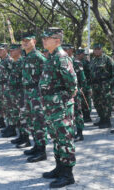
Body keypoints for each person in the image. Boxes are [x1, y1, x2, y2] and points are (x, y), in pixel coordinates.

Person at [40, 27, 77, 188]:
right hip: (51, 106)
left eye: (47, 38)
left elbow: (72, 84)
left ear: (57, 40)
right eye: (43, 38)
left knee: (64, 139)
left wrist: (61, 100)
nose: (43, 40)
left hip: (60, 107)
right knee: (55, 138)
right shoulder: (51, 57)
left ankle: (68, 175)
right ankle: (59, 168)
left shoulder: (62, 57)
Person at [20, 33, 48, 162]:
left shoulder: (38, 56)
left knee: (39, 121)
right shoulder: (26, 56)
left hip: (37, 94)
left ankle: (42, 151)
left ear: (34, 41)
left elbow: (46, 76)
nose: (25, 43)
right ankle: (36, 146)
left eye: (28, 40)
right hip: (28, 93)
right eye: (23, 41)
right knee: (31, 120)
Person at [89, 43, 113, 128]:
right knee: (97, 103)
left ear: (101, 49)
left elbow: (113, 72)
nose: (97, 50)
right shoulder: (93, 60)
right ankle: (102, 119)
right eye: (95, 49)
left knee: (105, 103)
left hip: (104, 85)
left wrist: (110, 84)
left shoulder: (107, 59)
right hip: (95, 85)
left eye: (98, 49)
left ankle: (107, 121)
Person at [76, 49, 92, 122]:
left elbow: (89, 73)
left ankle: (87, 116)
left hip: (86, 84)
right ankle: (83, 115)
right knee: (81, 101)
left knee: (87, 100)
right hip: (80, 84)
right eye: (82, 54)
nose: (83, 55)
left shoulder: (86, 62)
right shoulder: (76, 62)